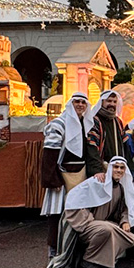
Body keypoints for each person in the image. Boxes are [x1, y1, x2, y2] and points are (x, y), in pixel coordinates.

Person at [44, 156, 134, 268]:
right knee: (106, 229)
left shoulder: (120, 188)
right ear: (110, 169)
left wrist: (125, 221)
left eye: (122, 168)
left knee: (131, 238)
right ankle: (88, 260)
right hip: (88, 226)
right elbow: (73, 199)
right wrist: (88, 221)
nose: (119, 170)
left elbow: (123, 209)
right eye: (116, 167)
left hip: (104, 225)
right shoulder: (97, 182)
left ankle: (102, 260)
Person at [40, 92, 104, 257]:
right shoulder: (58, 124)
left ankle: (72, 250)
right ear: (70, 104)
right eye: (77, 101)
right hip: (61, 176)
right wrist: (52, 179)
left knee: (77, 213)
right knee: (57, 213)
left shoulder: (86, 125)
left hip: (80, 176)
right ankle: (54, 250)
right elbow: (50, 154)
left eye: (83, 102)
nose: (80, 105)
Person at [88, 90, 129, 163]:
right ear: (102, 102)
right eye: (109, 101)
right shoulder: (95, 121)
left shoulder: (118, 121)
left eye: (114, 102)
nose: (112, 104)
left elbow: (125, 145)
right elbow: (92, 148)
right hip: (102, 167)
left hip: (118, 166)